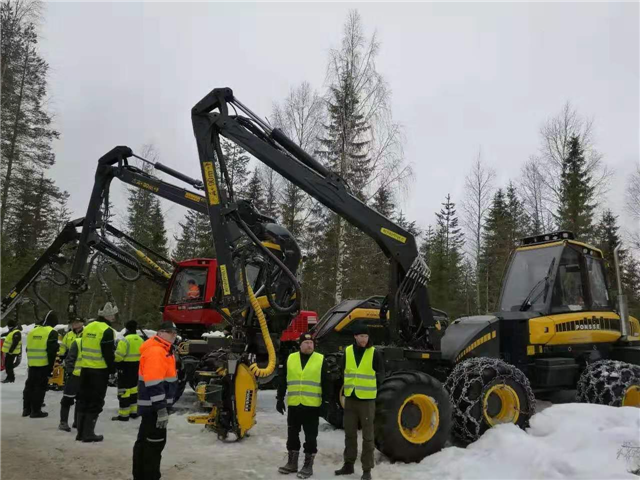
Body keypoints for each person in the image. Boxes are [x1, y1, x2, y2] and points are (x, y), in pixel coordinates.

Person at [335, 322, 385, 480]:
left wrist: (375, 388)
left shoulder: (374, 353)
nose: (364, 339)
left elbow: (381, 375)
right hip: (350, 399)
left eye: (366, 336)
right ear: (355, 336)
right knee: (349, 434)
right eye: (361, 336)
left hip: (367, 401)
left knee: (368, 437)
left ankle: (366, 470)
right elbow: (343, 371)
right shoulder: (347, 351)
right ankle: (348, 465)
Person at [277, 332, 328, 479]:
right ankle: (292, 463)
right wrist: (280, 399)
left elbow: (326, 383)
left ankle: (308, 465)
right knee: (292, 434)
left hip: (312, 406)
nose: (309, 345)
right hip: (294, 404)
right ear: (300, 345)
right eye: (306, 343)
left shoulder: (320, 359)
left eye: (311, 343)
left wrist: (325, 402)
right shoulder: (291, 359)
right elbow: (282, 380)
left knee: (310, 436)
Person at [133, 321, 178, 480]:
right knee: (154, 444)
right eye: (169, 331)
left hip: (152, 407)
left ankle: (141, 475)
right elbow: (154, 383)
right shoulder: (157, 352)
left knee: (145, 443)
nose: (173, 335)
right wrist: (161, 409)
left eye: (174, 332)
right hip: (154, 408)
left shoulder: (163, 350)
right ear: (159, 332)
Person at [75, 302, 117, 442]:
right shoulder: (107, 330)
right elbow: (108, 353)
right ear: (109, 315)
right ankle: (88, 433)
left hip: (85, 369)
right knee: (95, 402)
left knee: (83, 400)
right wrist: (113, 370)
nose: (115, 318)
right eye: (113, 315)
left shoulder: (88, 327)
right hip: (99, 372)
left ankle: (80, 432)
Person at [22, 310, 59, 418]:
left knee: (30, 386)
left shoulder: (33, 331)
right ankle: (36, 411)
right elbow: (51, 352)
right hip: (43, 364)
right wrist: (51, 367)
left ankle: (26, 409)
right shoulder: (51, 332)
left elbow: (28, 348)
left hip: (32, 363)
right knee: (40, 387)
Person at [113, 320, 144, 421]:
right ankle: (134, 412)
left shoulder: (125, 340)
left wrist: (115, 362)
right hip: (137, 367)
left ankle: (124, 414)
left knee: (124, 391)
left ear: (126, 328)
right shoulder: (140, 340)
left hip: (125, 368)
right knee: (134, 390)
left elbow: (119, 356)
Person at [58, 334, 83, 432]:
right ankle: (63, 422)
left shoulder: (95, 344)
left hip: (86, 376)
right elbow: (70, 359)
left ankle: (77, 422)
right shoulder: (78, 342)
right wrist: (70, 372)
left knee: (81, 400)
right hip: (75, 376)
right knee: (67, 399)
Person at [2, 319, 23, 383]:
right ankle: (10, 377)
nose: (8, 327)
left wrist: (11, 351)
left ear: (11, 326)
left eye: (8, 326)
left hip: (12, 352)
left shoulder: (16, 332)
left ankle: (10, 378)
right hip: (9, 352)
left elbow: (15, 343)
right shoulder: (12, 331)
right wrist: (2, 335)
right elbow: (7, 334)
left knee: (9, 365)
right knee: (7, 365)